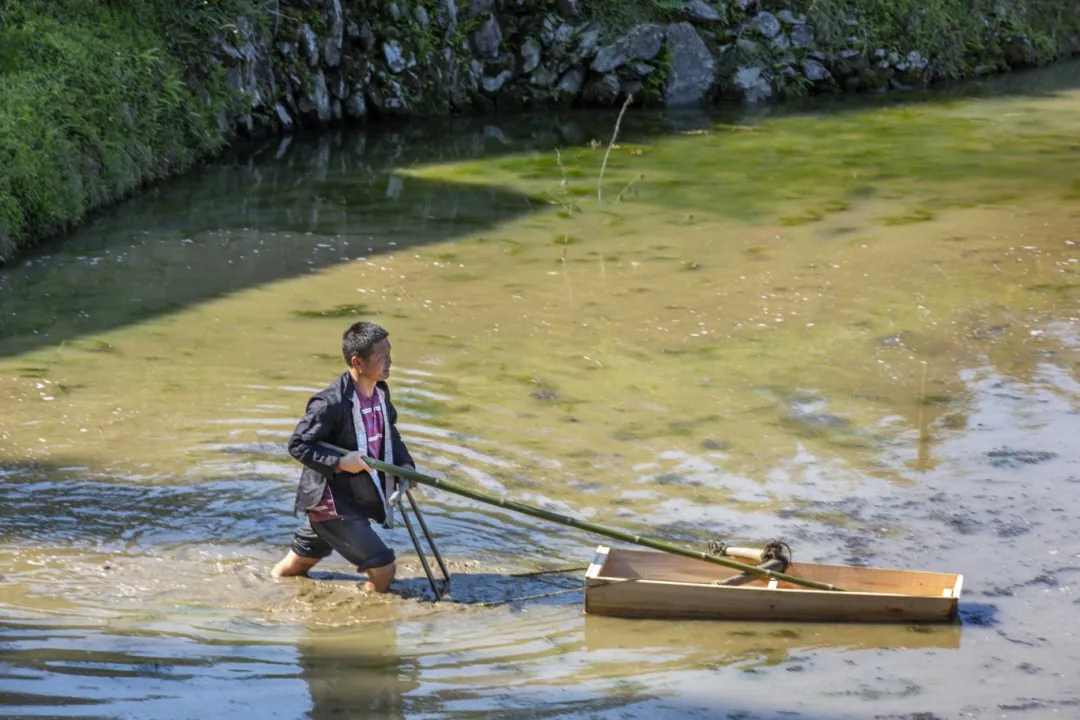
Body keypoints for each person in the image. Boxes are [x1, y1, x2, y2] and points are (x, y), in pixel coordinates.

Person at [271, 321, 416, 592]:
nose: (389, 361)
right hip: (331, 504)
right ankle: (365, 622)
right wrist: (340, 462)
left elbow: (390, 433)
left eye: (390, 352)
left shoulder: (380, 392)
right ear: (357, 362)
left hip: (354, 496)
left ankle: (270, 589)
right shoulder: (330, 404)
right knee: (384, 569)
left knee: (295, 568)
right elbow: (299, 444)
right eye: (381, 356)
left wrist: (405, 465)